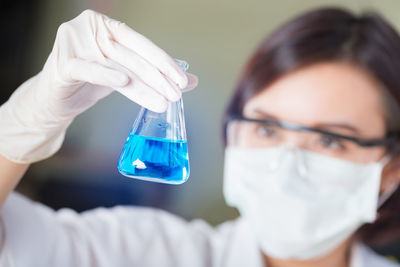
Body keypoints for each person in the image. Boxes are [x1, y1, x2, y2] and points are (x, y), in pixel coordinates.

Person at [0, 7, 400, 267]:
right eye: (266, 128)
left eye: (330, 139)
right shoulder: (142, 251)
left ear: (390, 171)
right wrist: (18, 128)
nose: (287, 161)